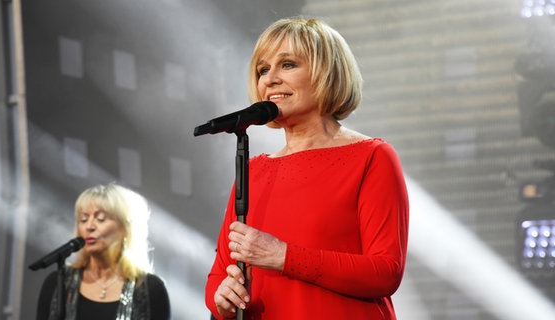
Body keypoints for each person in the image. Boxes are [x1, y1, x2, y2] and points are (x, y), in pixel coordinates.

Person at [205, 16, 409, 320]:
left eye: (287, 64)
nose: (270, 78)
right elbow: (219, 275)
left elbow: (385, 271)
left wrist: (283, 256)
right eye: (263, 69)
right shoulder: (252, 172)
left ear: (326, 72)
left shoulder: (372, 157)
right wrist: (221, 298)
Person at [36, 183, 171, 320]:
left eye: (100, 218)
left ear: (125, 228)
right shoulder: (58, 283)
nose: (89, 226)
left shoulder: (149, 289)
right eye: (83, 219)